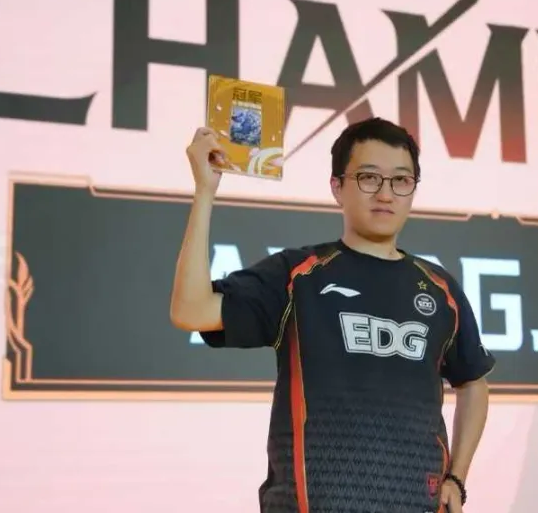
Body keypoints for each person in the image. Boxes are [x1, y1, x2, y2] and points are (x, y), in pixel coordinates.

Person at [169, 117, 495, 513]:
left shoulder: (440, 290)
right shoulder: (297, 275)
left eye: (401, 180)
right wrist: (204, 191)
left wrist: (457, 478)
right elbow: (191, 310)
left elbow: (473, 382)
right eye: (369, 178)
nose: (386, 193)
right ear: (337, 187)